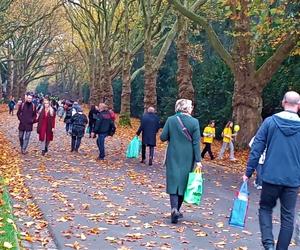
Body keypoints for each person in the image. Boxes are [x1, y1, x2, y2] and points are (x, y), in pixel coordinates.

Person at [243, 91, 300, 250]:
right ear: (299, 106)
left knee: (265, 208)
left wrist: (248, 172)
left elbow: (257, 148)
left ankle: (268, 244)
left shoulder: (270, 122)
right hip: (292, 179)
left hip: (271, 176)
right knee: (288, 216)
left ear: (283, 102)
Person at [160, 99, 202, 224]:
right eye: (191, 106)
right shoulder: (194, 122)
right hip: (188, 156)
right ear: (187, 108)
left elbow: (163, 137)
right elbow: (196, 143)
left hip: (173, 154)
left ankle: (173, 208)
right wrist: (198, 160)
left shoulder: (171, 120)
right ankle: (177, 209)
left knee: (173, 182)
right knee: (184, 183)